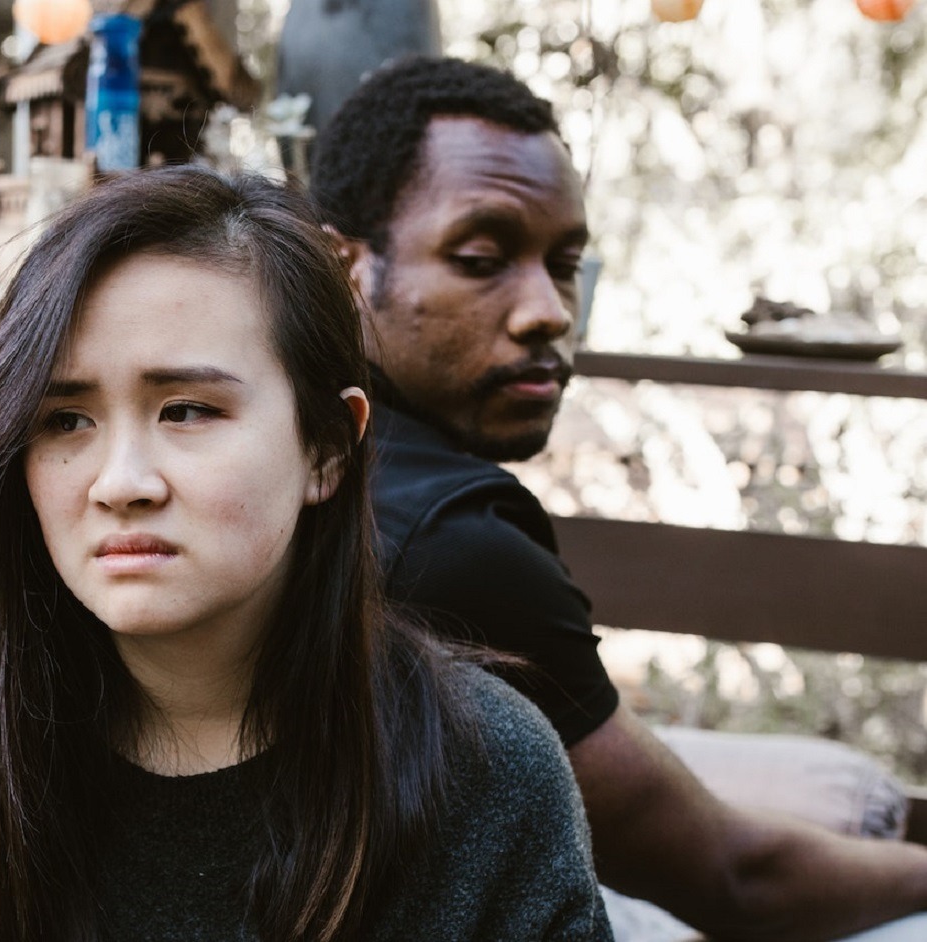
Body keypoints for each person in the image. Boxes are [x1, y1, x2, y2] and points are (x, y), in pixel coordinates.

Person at [0, 166, 612, 941]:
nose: (120, 483)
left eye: (187, 410)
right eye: (65, 421)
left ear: (328, 447)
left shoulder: (492, 773)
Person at [308, 54, 927, 941]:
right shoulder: (454, 541)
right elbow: (734, 880)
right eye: (482, 259)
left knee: (847, 797)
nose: (550, 312)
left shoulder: (314, 450)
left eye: (566, 264)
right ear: (346, 270)